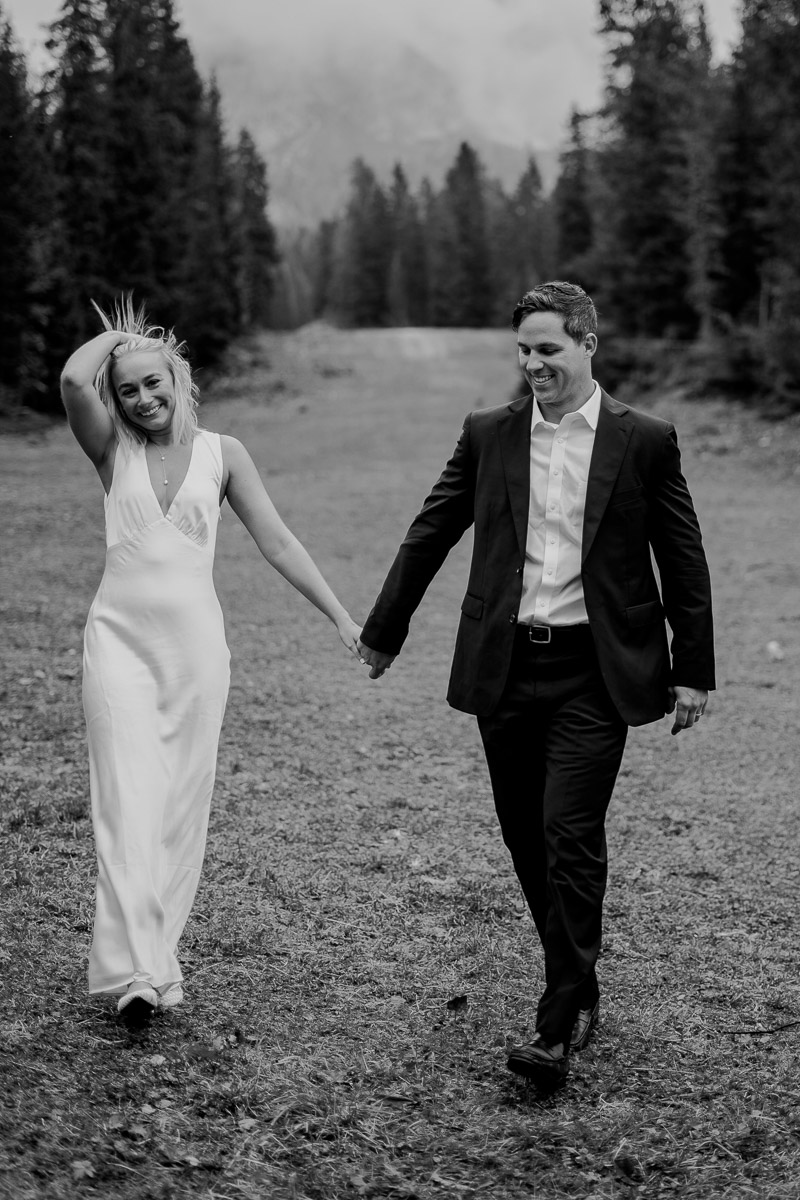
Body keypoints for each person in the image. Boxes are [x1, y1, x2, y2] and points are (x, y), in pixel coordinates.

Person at [358, 281, 714, 1086]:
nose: (533, 364)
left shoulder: (646, 439)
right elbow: (432, 528)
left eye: (548, 349)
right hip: (507, 665)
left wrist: (693, 669)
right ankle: (579, 979)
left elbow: (682, 558)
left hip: (599, 670)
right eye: (523, 351)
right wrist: (386, 630)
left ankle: (554, 1029)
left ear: (589, 344)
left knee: (568, 835)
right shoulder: (489, 433)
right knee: (525, 837)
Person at [61, 300, 362, 1025]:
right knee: (125, 799)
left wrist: (342, 618)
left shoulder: (224, 453)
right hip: (118, 645)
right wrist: (122, 341)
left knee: (177, 808)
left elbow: (279, 542)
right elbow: (74, 380)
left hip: (197, 654)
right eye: (128, 388)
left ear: (179, 378)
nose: (142, 399)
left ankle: (154, 956)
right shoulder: (111, 450)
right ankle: (140, 972)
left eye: (153, 383)